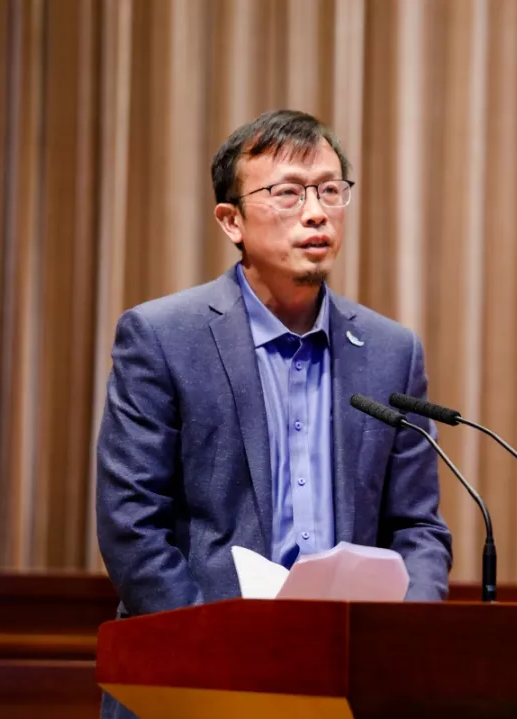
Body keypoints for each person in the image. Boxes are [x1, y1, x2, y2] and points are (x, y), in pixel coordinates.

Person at [95, 109, 453, 719]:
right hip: (195, 681)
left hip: (345, 683)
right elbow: (131, 523)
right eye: (288, 193)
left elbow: (417, 529)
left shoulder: (392, 352)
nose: (316, 212)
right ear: (230, 220)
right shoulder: (162, 337)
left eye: (330, 190)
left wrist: (402, 642)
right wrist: (218, 654)